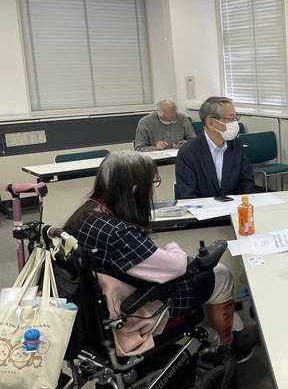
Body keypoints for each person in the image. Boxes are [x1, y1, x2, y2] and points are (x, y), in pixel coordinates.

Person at [63, 151, 258, 358]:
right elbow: (177, 266)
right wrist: (173, 247)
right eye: (153, 183)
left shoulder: (84, 215)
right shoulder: (120, 234)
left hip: (99, 309)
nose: (153, 190)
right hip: (138, 306)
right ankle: (230, 346)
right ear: (135, 190)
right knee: (220, 275)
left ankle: (223, 336)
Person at [175, 96, 256, 199]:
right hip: (204, 208)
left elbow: (247, 181)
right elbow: (188, 194)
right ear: (211, 123)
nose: (235, 123)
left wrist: (248, 202)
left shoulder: (235, 144)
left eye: (236, 117)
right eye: (231, 118)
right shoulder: (188, 152)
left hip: (234, 205)